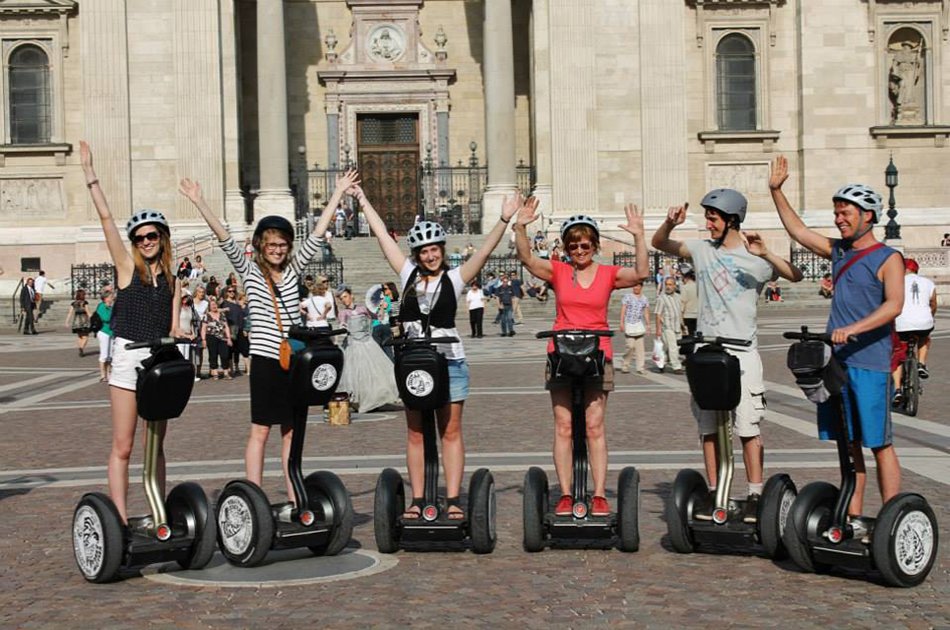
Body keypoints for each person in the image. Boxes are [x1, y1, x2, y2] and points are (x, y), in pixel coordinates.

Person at [179, 169, 357, 505]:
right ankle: (254, 497)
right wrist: (199, 201)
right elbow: (225, 239)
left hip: (293, 359)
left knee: (291, 430)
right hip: (264, 360)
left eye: (282, 244)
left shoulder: (292, 271)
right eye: (272, 244)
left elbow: (317, 234)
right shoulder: (250, 272)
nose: (277, 249)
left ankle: (294, 494)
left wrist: (338, 193)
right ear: (261, 245)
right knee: (260, 430)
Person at [351, 181, 524, 521]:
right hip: (414, 363)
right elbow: (383, 236)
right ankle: (417, 499)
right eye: (424, 251)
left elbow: (483, 253)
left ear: (442, 250)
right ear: (416, 254)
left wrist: (504, 220)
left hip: (449, 363)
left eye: (434, 250)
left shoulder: (455, 279)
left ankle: (454, 498)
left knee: (450, 431)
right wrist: (362, 199)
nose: (430, 256)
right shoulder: (407, 275)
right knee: (415, 432)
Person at [652, 186, 803, 523]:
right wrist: (670, 223)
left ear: (732, 220)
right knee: (708, 427)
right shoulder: (701, 249)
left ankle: (755, 494)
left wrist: (766, 253)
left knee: (747, 426)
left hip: (742, 351)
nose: (708, 224)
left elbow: (796, 275)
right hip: (707, 349)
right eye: (708, 218)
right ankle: (715, 491)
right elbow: (659, 243)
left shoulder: (756, 260)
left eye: (714, 218)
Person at [769, 154, 903, 522]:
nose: (838, 219)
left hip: (870, 364)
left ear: (868, 216)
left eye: (845, 213)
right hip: (837, 363)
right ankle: (853, 517)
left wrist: (854, 329)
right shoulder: (838, 251)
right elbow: (799, 232)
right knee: (848, 442)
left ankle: (893, 517)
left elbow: (894, 305)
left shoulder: (888, 258)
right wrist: (776, 191)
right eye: (837, 213)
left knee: (879, 443)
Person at [515, 203, 650, 517]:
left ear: (595, 245)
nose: (579, 250)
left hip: (598, 354)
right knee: (563, 426)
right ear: (566, 247)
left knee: (594, 426)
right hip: (562, 353)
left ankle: (599, 494)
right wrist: (520, 227)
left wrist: (639, 236)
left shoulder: (608, 274)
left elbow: (642, 273)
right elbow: (527, 259)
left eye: (585, 244)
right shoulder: (559, 271)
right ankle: (565, 494)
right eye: (573, 245)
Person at [81, 140, 181, 523]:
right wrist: (90, 175)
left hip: (159, 359)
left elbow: (174, 324)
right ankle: (119, 520)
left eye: (152, 235)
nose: (146, 242)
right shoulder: (126, 268)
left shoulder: (173, 278)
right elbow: (107, 219)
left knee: (155, 446)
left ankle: (159, 513)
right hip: (127, 357)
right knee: (123, 445)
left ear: (162, 238)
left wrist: (180, 334)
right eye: (140, 237)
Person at [335, 286, 400, 412]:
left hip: (367, 342)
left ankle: (374, 398)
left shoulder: (362, 308)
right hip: (354, 344)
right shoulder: (343, 313)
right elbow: (342, 324)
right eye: (341, 298)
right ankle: (360, 400)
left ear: (351, 295)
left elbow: (377, 317)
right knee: (357, 373)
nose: (344, 300)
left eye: (345, 296)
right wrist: (343, 326)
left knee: (374, 371)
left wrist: (382, 308)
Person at [892, 258, 936, 404]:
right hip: (924, 322)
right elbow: (933, 304)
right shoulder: (928, 283)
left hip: (901, 324)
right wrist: (930, 316)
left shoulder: (895, 282)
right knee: (925, 337)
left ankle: (897, 389)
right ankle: (921, 364)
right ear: (916, 270)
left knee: (898, 354)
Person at [619, 282, 650, 374]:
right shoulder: (627, 297)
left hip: (639, 324)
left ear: (641, 287)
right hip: (629, 323)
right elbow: (623, 309)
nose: (636, 288)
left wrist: (648, 324)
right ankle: (625, 364)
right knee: (630, 346)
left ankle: (640, 367)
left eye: (638, 286)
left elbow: (646, 312)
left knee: (640, 348)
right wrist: (621, 322)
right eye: (634, 286)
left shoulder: (644, 299)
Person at [654, 277, 684, 373]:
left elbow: (680, 312)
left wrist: (683, 325)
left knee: (674, 347)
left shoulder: (678, 297)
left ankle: (662, 362)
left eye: (670, 284)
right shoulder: (662, 298)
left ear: (674, 286)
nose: (668, 287)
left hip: (677, 326)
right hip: (667, 326)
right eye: (666, 284)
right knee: (673, 347)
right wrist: (658, 329)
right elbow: (658, 314)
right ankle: (676, 367)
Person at [201, 298, 233, 380]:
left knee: (225, 355)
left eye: (215, 304)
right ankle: (215, 372)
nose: (214, 306)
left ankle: (226, 372)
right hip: (211, 337)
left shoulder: (222, 315)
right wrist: (203, 339)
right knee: (213, 355)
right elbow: (203, 328)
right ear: (209, 307)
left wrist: (229, 338)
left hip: (223, 337)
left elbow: (226, 327)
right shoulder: (206, 315)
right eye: (212, 305)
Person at [219, 285, 244, 375]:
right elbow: (216, 310)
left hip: (239, 327)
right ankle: (231, 368)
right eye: (230, 291)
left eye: (233, 291)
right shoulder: (224, 303)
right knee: (230, 349)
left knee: (237, 349)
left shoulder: (237, 302)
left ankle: (237, 368)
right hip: (229, 328)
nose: (232, 293)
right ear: (226, 293)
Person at [95, 290, 116, 382]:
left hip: (111, 332)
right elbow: (105, 318)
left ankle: (109, 373)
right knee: (104, 354)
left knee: (110, 354)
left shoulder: (111, 307)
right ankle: (103, 374)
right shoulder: (102, 306)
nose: (112, 298)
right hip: (104, 331)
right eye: (111, 297)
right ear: (106, 298)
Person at [65, 289, 93, 357]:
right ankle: (81, 348)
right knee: (85, 337)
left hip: (76, 322)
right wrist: (93, 319)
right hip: (84, 321)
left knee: (80, 336)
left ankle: (80, 348)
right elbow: (88, 312)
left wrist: (67, 321)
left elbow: (70, 313)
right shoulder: (84, 303)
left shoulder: (73, 303)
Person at [679, 264, 698, 335]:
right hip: (699, 316)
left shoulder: (685, 287)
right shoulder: (698, 286)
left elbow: (682, 303)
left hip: (688, 316)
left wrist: (680, 319)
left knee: (689, 337)